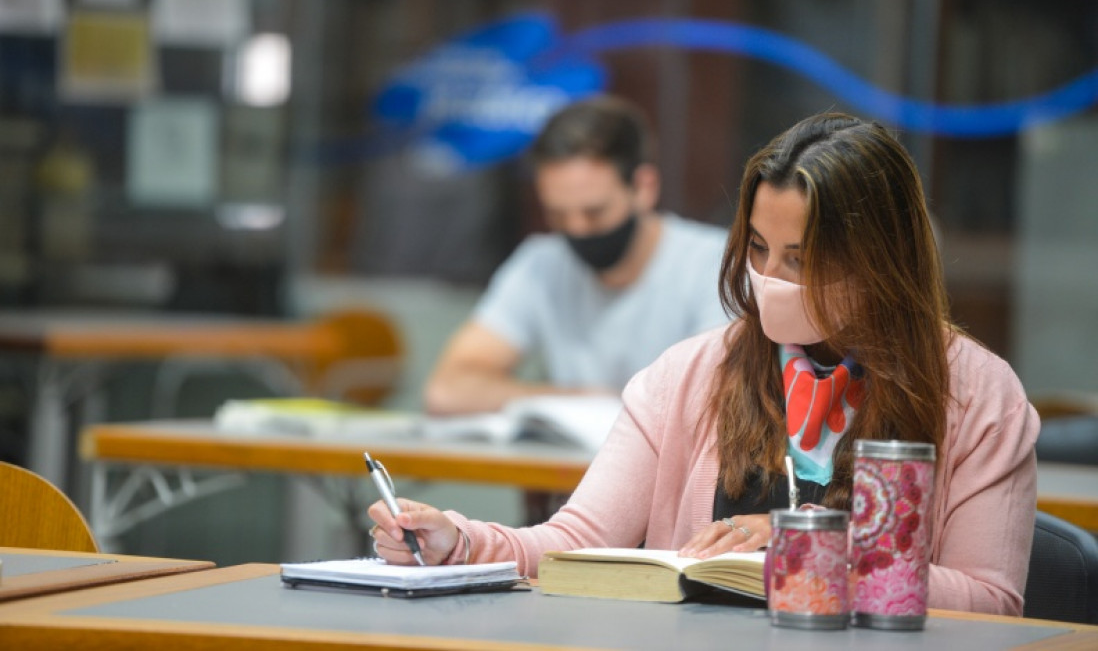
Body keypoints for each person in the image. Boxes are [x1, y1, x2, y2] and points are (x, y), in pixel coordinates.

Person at [371, 112, 1039, 616]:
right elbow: (576, 540)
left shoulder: (978, 395)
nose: (768, 278)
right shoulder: (688, 376)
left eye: (800, 258)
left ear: (881, 259)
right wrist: (457, 542)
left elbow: (989, 599)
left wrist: (800, 548)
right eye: (756, 248)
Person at [423, 94, 730, 416]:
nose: (577, 229)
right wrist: (575, 401)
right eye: (558, 215)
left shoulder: (714, 266)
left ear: (644, 188)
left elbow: (718, 402)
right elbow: (447, 390)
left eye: (594, 212)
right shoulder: (540, 265)